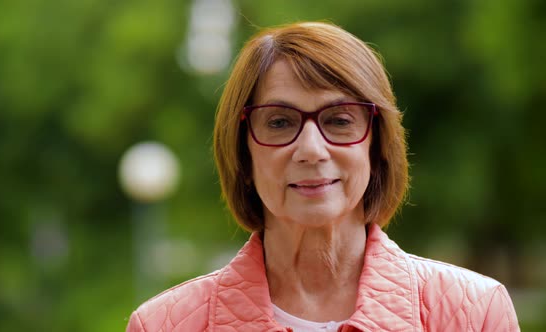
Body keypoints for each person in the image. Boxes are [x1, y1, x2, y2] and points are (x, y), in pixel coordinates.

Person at [126, 21, 520, 332]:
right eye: (279, 122)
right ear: (243, 154)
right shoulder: (161, 325)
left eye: (339, 120)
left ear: (377, 146)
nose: (312, 149)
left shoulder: (476, 314)